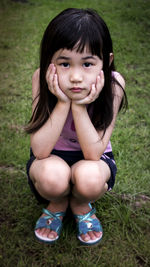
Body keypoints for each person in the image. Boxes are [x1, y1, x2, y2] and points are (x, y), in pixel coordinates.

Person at [25, 8, 127, 245]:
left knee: (89, 179)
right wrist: (62, 102)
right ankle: (58, 201)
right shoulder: (41, 78)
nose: (76, 77)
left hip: (95, 159)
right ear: (50, 61)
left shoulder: (113, 85)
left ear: (106, 62)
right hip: (50, 157)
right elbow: (40, 151)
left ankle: (80, 203)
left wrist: (79, 107)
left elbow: (93, 154)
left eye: (88, 64)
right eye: (65, 64)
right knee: (52, 178)